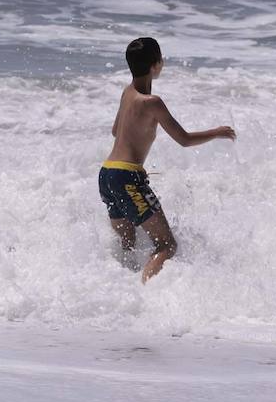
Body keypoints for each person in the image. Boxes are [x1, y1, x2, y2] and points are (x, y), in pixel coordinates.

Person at [99, 37, 235, 282]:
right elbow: (183, 139)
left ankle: (118, 292)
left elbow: (115, 131)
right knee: (166, 246)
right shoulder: (152, 102)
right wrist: (218, 132)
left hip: (107, 174)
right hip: (127, 177)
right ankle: (144, 295)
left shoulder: (127, 93)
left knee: (128, 243)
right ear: (155, 65)